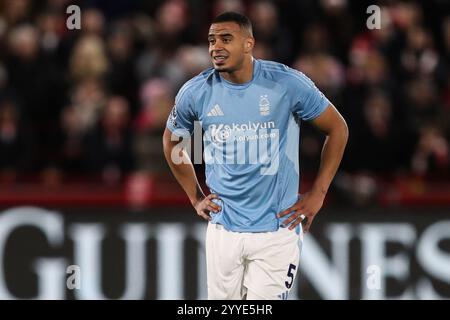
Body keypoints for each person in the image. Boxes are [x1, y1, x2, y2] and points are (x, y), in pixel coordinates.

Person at [162, 12, 348, 300]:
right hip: (223, 230)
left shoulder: (287, 84)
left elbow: (337, 128)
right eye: (212, 40)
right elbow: (172, 141)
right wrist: (195, 196)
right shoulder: (196, 92)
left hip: (277, 229)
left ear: (249, 44)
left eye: (226, 39)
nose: (216, 47)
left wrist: (319, 192)